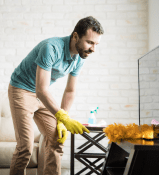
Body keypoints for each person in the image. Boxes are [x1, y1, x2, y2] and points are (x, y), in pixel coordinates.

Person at [8, 16, 104, 175]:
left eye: (96, 44)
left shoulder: (80, 57)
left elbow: (70, 91)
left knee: (57, 138)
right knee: (25, 146)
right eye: (90, 42)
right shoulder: (51, 48)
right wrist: (64, 118)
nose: (93, 48)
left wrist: (61, 118)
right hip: (21, 89)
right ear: (75, 36)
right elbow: (41, 90)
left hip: (40, 94)